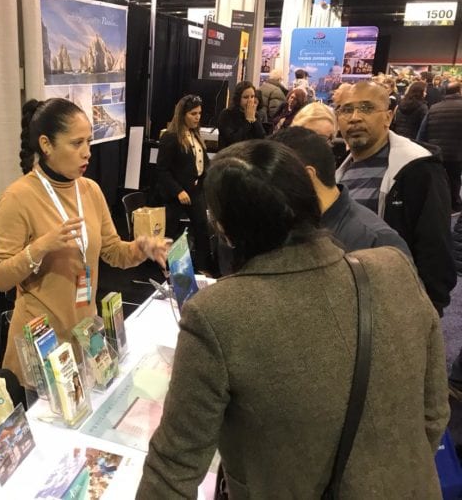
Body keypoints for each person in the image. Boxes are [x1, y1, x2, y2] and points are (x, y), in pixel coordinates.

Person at [136, 140, 449, 499]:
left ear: (225, 229)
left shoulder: (216, 314)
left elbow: (173, 470)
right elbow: (435, 413)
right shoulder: (393, 267)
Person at [0, 98, 167, 384]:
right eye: (76, 143)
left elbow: (112, 252)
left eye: (89, 142)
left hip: (85, 335)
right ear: (46, 145)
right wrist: (42, 246)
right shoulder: (17, 198)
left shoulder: (90, 190)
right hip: (42, 344)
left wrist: (140, 248)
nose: (87, 152)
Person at [335, 81, 456, 316]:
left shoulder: (418, 169)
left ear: (388, 117)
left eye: (367, 108)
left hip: (398, 302)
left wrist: (430, 308)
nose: (355, 118)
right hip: (353, 299)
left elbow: (435, 245)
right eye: (346, 110)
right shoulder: (341, 171)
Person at [272, 127, 412, 256]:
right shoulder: (287, 226)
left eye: (272, 181)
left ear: (306, 176)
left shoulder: (378, 242)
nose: (266, 191)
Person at [153, 94, 214, 272]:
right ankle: (167, 268)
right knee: (171, 233)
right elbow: (162, 170)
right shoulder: (170, 137)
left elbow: (202, 164)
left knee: (202, 229)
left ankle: (203, 267)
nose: (197, 117)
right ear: (182, 114)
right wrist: (178, 191)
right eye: (193, 114)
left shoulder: (195, 135)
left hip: (195, 191)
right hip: (175, 194)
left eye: (199, 113)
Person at [417, 82, 462, 212]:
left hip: (437, 152)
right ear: (459, 91)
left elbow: (422, 132)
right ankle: (454, 205)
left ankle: (440, 204)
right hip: (457, 152)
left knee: (439, 180)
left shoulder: (434, 108)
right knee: (454, 179)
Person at [217, 81, 266, 149]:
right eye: (246, 97)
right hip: (231, 153)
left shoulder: (255, 115)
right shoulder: (226, 114)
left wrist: (254, 120)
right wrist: (248, 121)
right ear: (238, 98)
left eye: (252, 97)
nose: (250, 100)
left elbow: (262, 138)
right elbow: (234, 141)